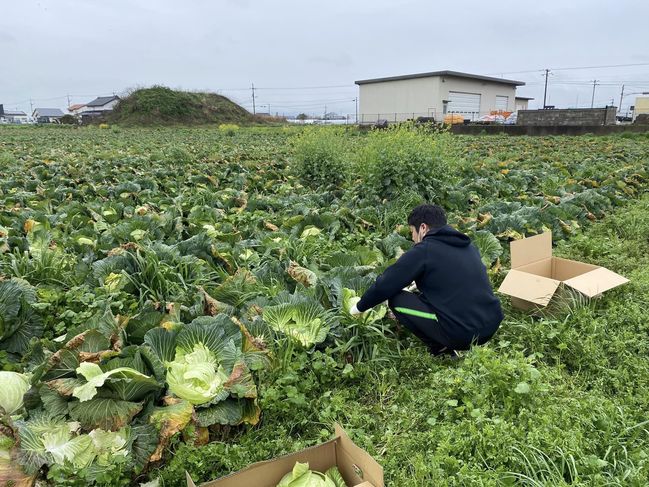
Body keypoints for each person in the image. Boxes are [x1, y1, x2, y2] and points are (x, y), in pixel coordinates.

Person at [349, 204, 503, 356]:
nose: (413, 238)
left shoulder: (424, 250)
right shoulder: (468, 246)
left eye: (412, 232)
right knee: (424, 296)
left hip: (462, 335)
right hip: (490, 325)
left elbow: (386, 284)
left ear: (423, 228)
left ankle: (441, 348)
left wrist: (358, 308)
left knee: (396, 299)